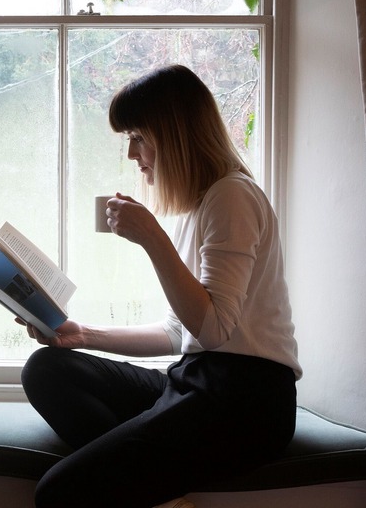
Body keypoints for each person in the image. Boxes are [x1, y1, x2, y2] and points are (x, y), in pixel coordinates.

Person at [20, 64, 301, 508]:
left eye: (138, 136)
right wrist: (84, 335)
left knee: (58, 493)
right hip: (195, 382)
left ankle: (139, 482)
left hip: (244, 405)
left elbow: (213, 331)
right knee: (46, 368)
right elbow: (179, 333)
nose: (132, 154)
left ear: (174, 135)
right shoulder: (201, 204)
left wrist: (152, 239)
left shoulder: (232, 196)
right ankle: (149, 489)